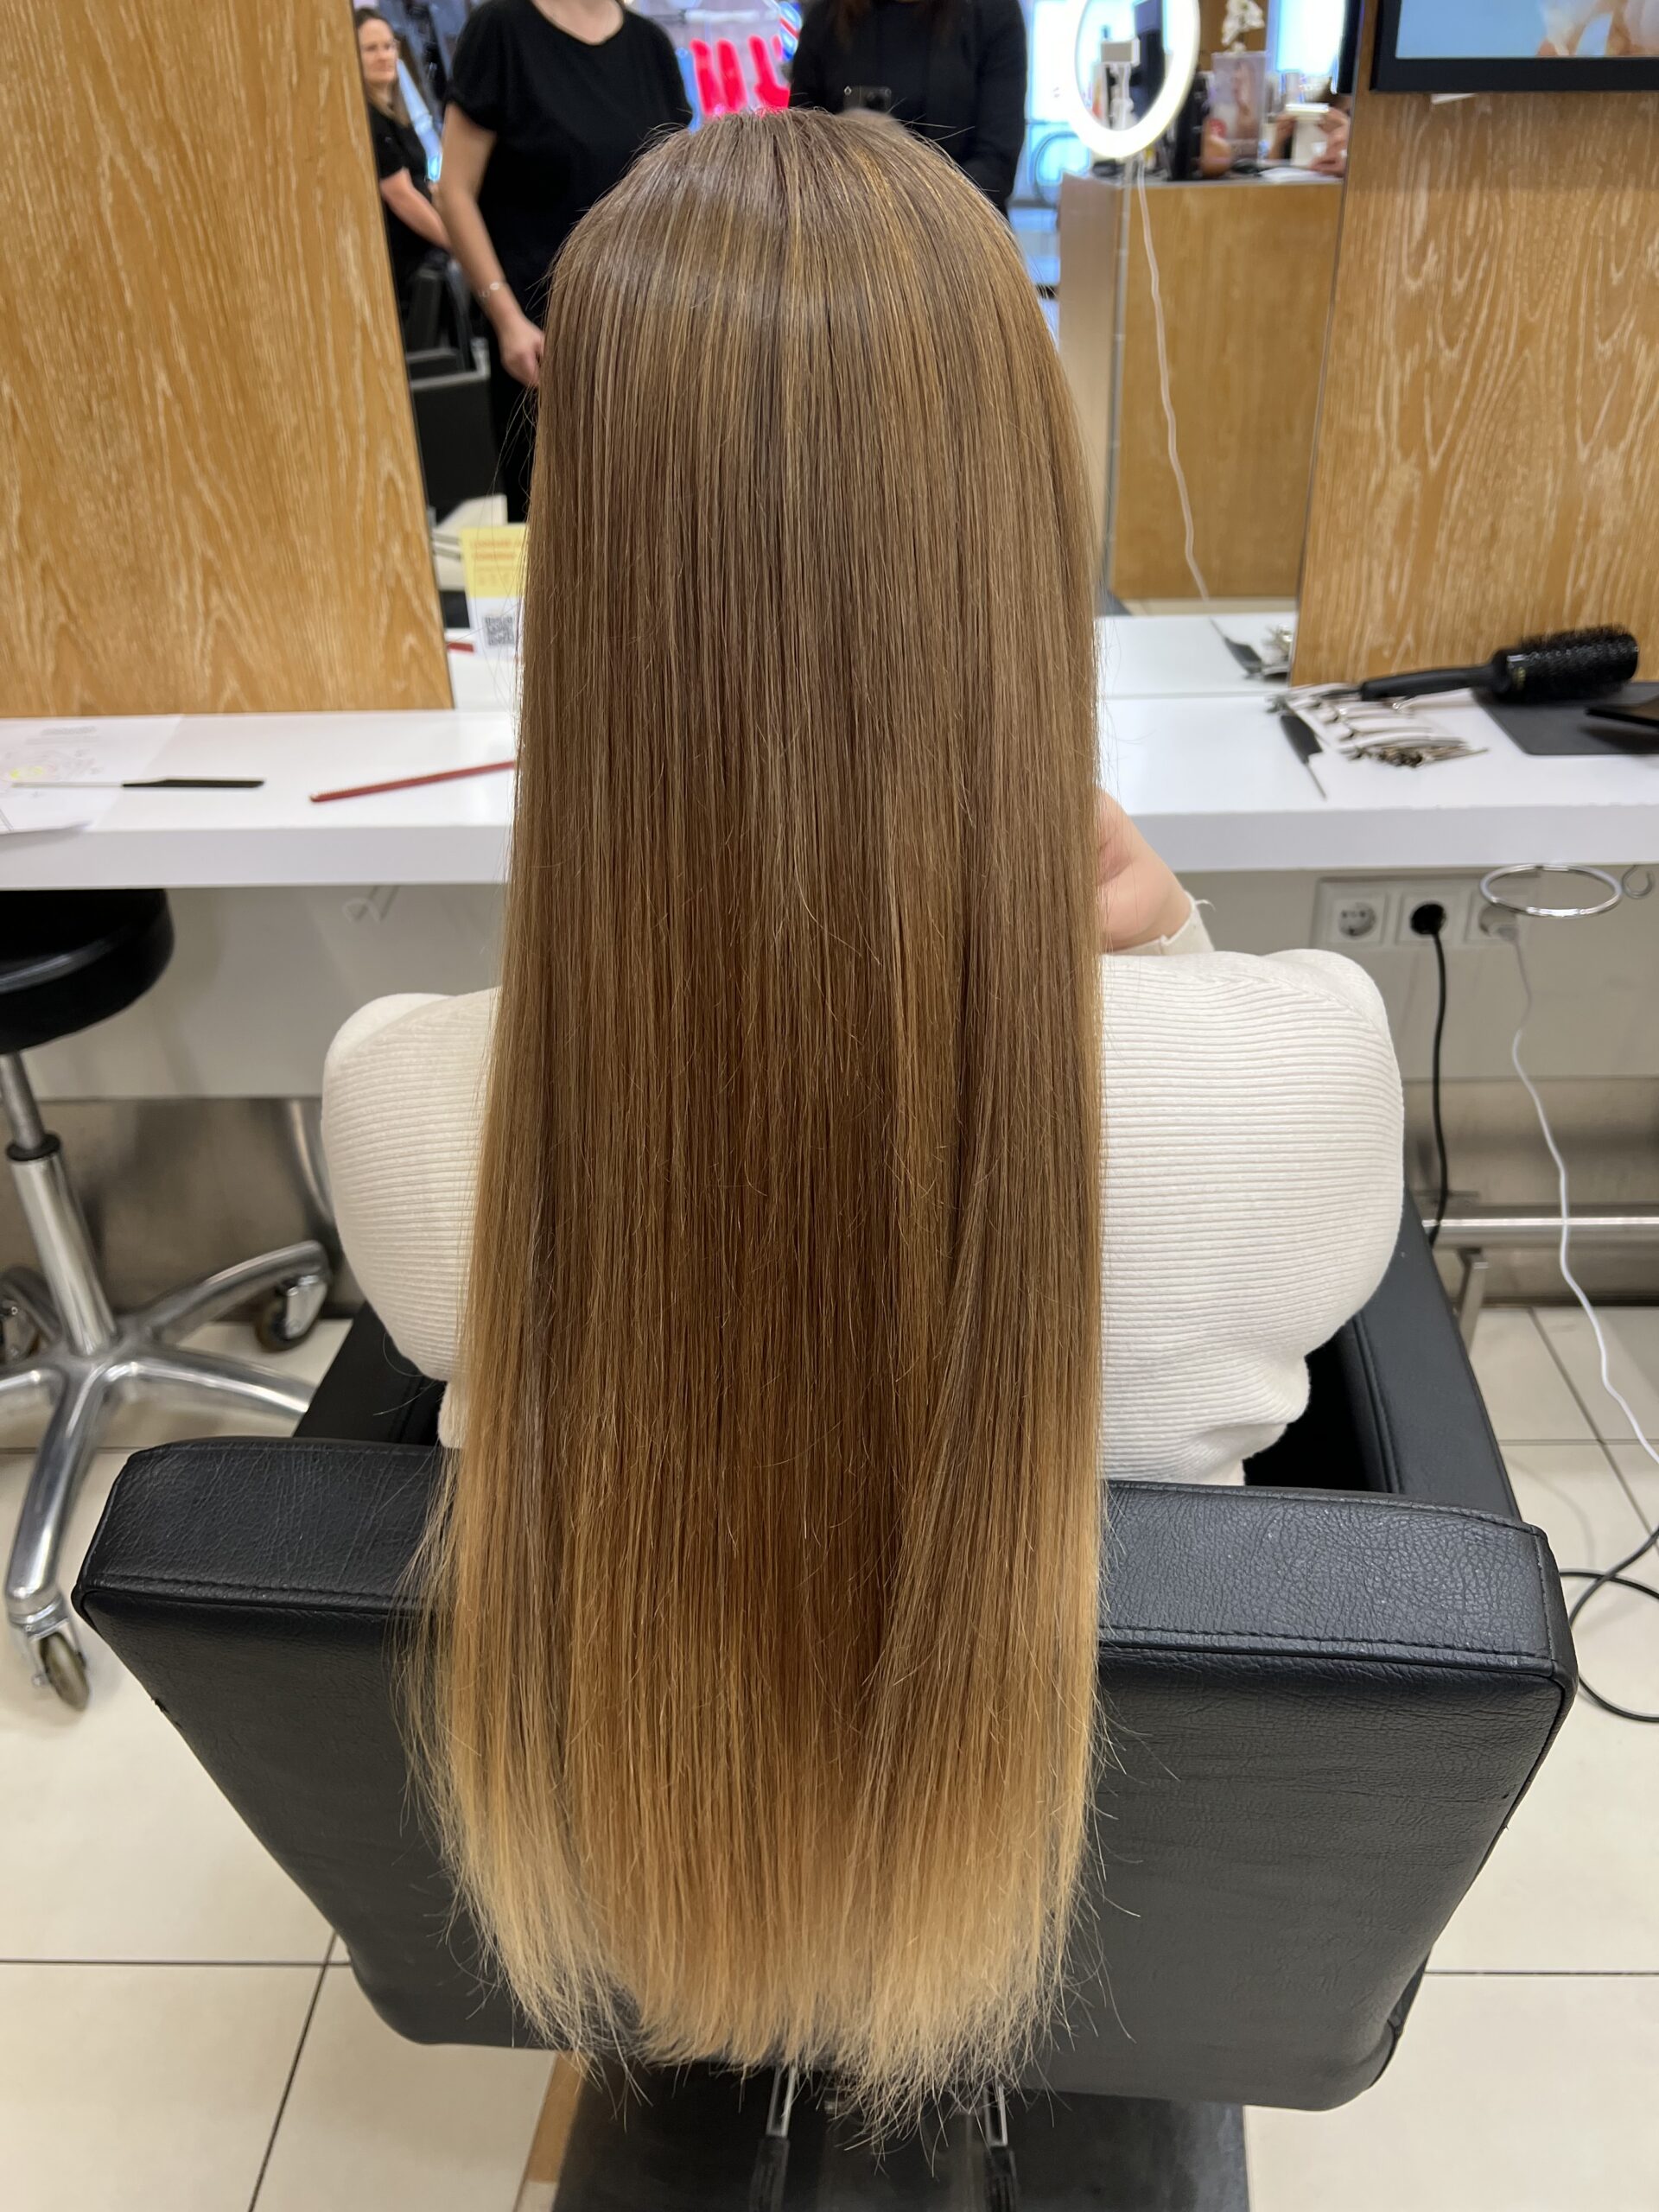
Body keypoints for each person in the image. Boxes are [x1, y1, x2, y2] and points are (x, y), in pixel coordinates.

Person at [322, 111, 1402, 2113]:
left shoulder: (397, 1102)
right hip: (1104, 1894)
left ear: (594, 552)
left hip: (640, 1877)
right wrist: (1166, 944)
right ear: (1015, 512)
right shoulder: (1303, 1069)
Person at [435, 0, 691, 520]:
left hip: (648, 333)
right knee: (558, 518)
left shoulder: (650, 46)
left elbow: (678, 188)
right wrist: (505, 317)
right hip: (542, 343)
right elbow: (454, 192)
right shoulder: (501, 33)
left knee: (655, 514)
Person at [787, 0, 1027, 212]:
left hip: (959, 230)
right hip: (847, 227)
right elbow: (798, 150)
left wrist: (913, 196)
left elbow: (996, 166)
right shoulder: (826, 19)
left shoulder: (991, 13)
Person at [355, 9, 451, 317]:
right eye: (371, 49)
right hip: (410, 272)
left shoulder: (397, 117)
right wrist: (458, 244)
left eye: (388, 46)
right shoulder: (369, 122)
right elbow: (401, 197)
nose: (384, 56)